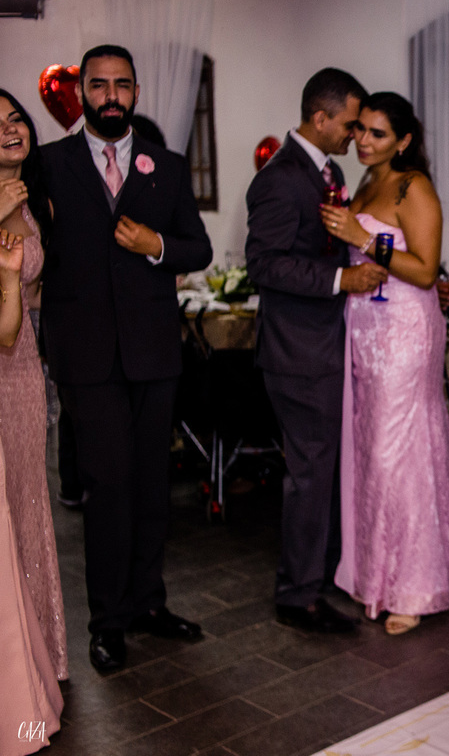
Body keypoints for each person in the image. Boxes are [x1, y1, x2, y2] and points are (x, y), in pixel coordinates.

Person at [40, 45, 213, 672]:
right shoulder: (49, 165)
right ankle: (107, 621)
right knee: (108, 488)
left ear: (136, 92)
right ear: (81, 92)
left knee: (150, 487)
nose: (110, 96)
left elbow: (198, 249)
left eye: (121, 85)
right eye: (98, 85)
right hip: (87, 357)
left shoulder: (166, 165)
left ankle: (148, 604)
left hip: (153, 354)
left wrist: (155, 243)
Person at [319, 92, 449, 635]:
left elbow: (426, 270)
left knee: (399, 452)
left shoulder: (415, 188)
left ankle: (414, 584)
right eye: (360, 129)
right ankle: (376, 574)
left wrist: (362, 238)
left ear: (405, 140)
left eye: (378, 133)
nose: (363, 140)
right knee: (371, 451)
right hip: (364, 328)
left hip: (406, 330)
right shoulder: (365, 182)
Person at [246, 68, 387, 634]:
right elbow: (265, 265)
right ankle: (297, 594)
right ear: (320, 117)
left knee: (323, 469)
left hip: (326, 343)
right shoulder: (280, 179)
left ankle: (319, 577)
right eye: (350, 125)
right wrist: (339, 281)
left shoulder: (328, 172)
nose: (356, 135)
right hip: (297, 350)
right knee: (310, 473)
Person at [0, 89, 68, 681]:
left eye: (15, 118)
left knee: (27, 500)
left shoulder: (36, 197)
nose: (9, 129)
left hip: (23, 365)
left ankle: (37, 652)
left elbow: (37, 290)